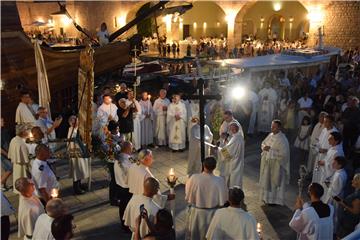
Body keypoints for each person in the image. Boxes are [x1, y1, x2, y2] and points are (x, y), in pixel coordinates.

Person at [185, 157, 228, 240]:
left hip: (197, 214)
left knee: (196, 236)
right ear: (215, 167)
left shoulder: (194, 178)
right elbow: (224, 198)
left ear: (203, 165)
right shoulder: (220, 181)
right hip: (213, 214)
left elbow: (187, 194)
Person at [259, 120, 290, 205]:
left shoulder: (283, 139)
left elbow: (284, 154)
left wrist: (271, 150)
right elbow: (263, 143)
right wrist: (264, 147)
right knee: (266, 180)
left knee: (273, 182)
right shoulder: (270, 135)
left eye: (274, 127)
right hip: (267, 162)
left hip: (277, 165)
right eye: (271, 126)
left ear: (279, 127)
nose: (272, 128)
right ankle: (266, 198)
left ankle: (274, 200)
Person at [217, 122, 245, 188]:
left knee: (234, 181)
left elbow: (228, 153)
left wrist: (218, 149)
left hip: (234, 163)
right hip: (238, 162)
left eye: (230, 129)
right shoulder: (239, 137)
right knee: (236, 180)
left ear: (234, 130)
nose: (229, 131)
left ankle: (234, 195)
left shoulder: (235, 139)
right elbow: (231, 147)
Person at [67, 116, 90, 195]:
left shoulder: (76, 129)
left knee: (79, 170)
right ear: (72, 123)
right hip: (76, 154)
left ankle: (79, 185)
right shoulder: (71, 131)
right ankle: (76, 188)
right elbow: (73, 141)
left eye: (77, 122)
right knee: (76, 171)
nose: (77, 123)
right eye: (75, 122)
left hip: (80, 153)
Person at [114, 141, 134, 231]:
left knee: (122, 206)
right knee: (127, 207)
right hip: (126, 187)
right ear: (128, 149)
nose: (132, 150)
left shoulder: (119, 158)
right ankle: (126, 225)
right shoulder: (125, 161)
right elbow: (130, 173)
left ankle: (124, 224)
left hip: (119, 185)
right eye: (131, 148)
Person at [312, 115, 338, 182]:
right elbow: (320, 141)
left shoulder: (335, 132)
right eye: (324, 122)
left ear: (331, 122)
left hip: (327, 157)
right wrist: (316, 145)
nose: (324, 123)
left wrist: (326, 150)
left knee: (322, 176)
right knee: (317, 173)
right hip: (320, 155)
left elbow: (336, 147)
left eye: (326, 122)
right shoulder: (324, 130)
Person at [8, 124, 31, 194]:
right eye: (26, 130)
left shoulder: (13, 139)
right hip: (23, 164)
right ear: (23, 132)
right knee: (22, 177)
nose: (28, 131)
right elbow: (26, 157)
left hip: (16, 164)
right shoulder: (20, 142)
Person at [336, 173, 360, 238]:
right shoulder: (356, 192)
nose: (352, 181)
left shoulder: (357, 196)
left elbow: (355, 211)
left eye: (354, 180)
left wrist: (342, 204)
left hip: (348, 223)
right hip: (346, 221)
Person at [1, 117, 13, 190]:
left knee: (7, 169)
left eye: (3, 120)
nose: (3, 122)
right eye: (1, 121)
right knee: (10, 168)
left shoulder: (4, 131)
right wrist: (7, 155)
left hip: (7, 153)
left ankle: (3, 185)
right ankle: (1, 183)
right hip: (3, 154)